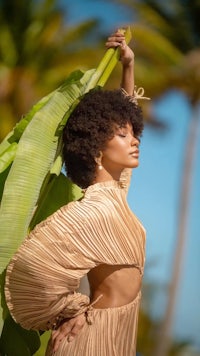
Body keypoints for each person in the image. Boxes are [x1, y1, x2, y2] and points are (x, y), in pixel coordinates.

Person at [5, 29, 146, 356]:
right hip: (90, 340)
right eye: (123, 135)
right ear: (97, 144)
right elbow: (31, 268)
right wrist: (74, 309)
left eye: (133, 132)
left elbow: (126, 117)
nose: (135, 140)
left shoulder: (116, 196)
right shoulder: (85, 211)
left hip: (122, 337)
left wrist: (128, 65)